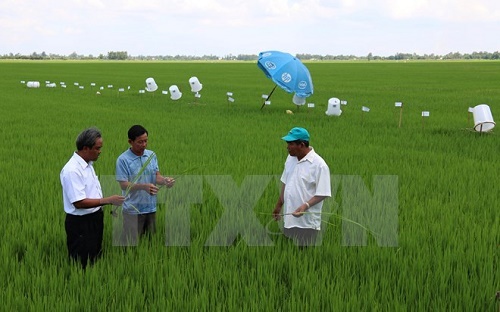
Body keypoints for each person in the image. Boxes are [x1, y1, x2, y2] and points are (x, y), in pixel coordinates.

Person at [60, 127, 125, 269]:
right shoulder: (72, 170)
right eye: (97, 148)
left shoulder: (88, 164)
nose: (100, 151)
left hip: (94, 218)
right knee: (81, 262)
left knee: (95, 256)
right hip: (81, 223)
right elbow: (79, 202)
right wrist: (108, 200)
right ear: (85, 148)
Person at [116, 125, 175, 245]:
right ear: (130, 142)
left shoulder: (151, 155)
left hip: (150, 208)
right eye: (140, 142)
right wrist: (143, 186)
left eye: (146, 141)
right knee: (131, 244)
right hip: (133, 210)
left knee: (149, 243)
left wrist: (165, 181)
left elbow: (156, 176)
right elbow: (123, 184)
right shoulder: (123, 160)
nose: (144, 145)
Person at [273, 127, 331, 246]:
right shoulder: (290, 159)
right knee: (289, 252)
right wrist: (278, 205)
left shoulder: (319, 165)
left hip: (307, 223)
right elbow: (286, 182)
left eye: (291, 144)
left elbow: (323, 193)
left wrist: (306, 206)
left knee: (304, 255)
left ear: (302, 144)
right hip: (289, 218)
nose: (287, 147)